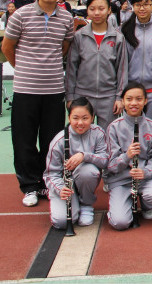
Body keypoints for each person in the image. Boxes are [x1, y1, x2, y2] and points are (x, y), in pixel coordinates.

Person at [2, 0, 75, 207]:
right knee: (24, 139)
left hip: (54, 89)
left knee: (51, 140)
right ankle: (29, 185)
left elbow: (64, 48)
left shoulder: (66, 18)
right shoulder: (20, 15)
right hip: (25, 89)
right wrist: (24, 68)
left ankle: (46, 182)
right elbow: (7, 47)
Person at [106, 82, 152, 229]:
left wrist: (145, 172)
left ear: (145, 101)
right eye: (129, 99)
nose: (134, 103)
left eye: (139, 99)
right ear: (123, 101)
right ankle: (120, 206)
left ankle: (147, 205)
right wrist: (126, 156)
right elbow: (111, 165)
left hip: (144, 178)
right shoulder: (113, 127)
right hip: (121, 180)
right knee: (120, 223)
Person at [44, 98, 108, 229]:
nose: (80, 123)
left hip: (84, 177)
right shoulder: (59, 140)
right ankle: (71, 200)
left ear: (92, 118)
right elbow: (50, 174)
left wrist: (85, 156)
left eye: (85, 118)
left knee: (88, 170)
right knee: (61, 222)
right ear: (69, 118)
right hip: (64, 184)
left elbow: (105, 160)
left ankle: (86, 205)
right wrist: (60, 189)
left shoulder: (98, 133)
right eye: (75, 118)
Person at [66, 0, 127, 130]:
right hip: (82, 95)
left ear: (109, 10)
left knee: (108, 136)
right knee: (82, 134)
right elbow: (71, 68)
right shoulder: (79, 36)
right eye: (92, 9)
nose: (97, 13)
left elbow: (122, 70)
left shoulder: (118, 38)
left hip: (109, 97)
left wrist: (119, 97)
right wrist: (70, 96)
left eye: (101, 8)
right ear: (87, 10)